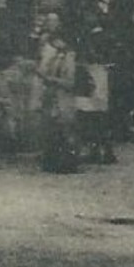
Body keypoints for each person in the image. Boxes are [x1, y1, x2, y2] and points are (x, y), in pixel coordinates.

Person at [35, 13, 83, 173]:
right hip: (51, 95)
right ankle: (52, 159)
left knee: (64, 127)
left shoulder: (67, 56)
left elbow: (69, 81)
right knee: (50, 127)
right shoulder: (49, 53)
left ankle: (68, 161)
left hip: (62, 97)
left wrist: (50, 78)